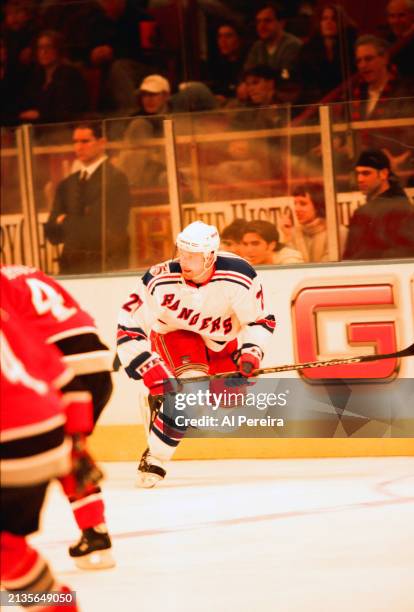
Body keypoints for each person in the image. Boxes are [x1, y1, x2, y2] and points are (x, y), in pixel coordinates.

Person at [116, 221, 276, 486]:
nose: (184, 261)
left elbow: (259, 320)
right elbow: (129, 323)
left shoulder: (240, 276)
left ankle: (157, 404)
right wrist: (146, 366)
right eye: (182, 253)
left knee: (228, 400)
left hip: (219, 340)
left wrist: (250, 353)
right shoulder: (159, 278)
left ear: (210, 255)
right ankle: (155, 459)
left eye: (192, 256)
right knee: (192, 396)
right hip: (176, 334)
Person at [1, 264, 115, 569]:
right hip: (98, 366)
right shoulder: (29, 272)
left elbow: (18, 339)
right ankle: (95, 532)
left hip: (60, 370)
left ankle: (12, 554)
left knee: (38, 448)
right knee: (70, 450)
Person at [45, 121, 131, 275]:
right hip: (71, 267)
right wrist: (76, 221)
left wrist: (64, 220)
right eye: (75, 142)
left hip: (104, 265)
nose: (78, 147)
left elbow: (108, 227)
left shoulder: (116, 179)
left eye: (85, 141)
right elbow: (52, 233)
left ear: (102, 142)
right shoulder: (67, 184)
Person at [343, 149, 414, 260]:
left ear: (383, 174)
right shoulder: (404, 205)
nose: (360, 179)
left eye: (366, 173)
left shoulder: (365, 212)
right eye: (358, 173)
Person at [18, 30, 89, 124]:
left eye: (48, 47)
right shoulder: (38, 76)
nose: (43, 52)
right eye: (40, 48)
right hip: (39, 128)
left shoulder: (70, 74)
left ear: (58, 49)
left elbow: (68, 111)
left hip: (63, 128)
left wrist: (40, 115)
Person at [116, 74, 171, 188]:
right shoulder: (136, 120)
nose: (148, 99)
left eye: (153, 94)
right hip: (141, 175)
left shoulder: (177, 115)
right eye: (144, 95)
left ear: (166, 95)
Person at [287, 183, 348, 262]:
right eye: (295, 204)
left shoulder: (337, 232)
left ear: (317, 206)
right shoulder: (293, 233)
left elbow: (327, 268)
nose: (296, 209)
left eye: (303, 204)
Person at [244, 2, 302, 85]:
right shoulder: (257, 46)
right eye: (258, 22)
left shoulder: (292, 45)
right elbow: (247, 72)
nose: (261, 26)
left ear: (281, 23)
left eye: (267, 21)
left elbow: (286, 76)